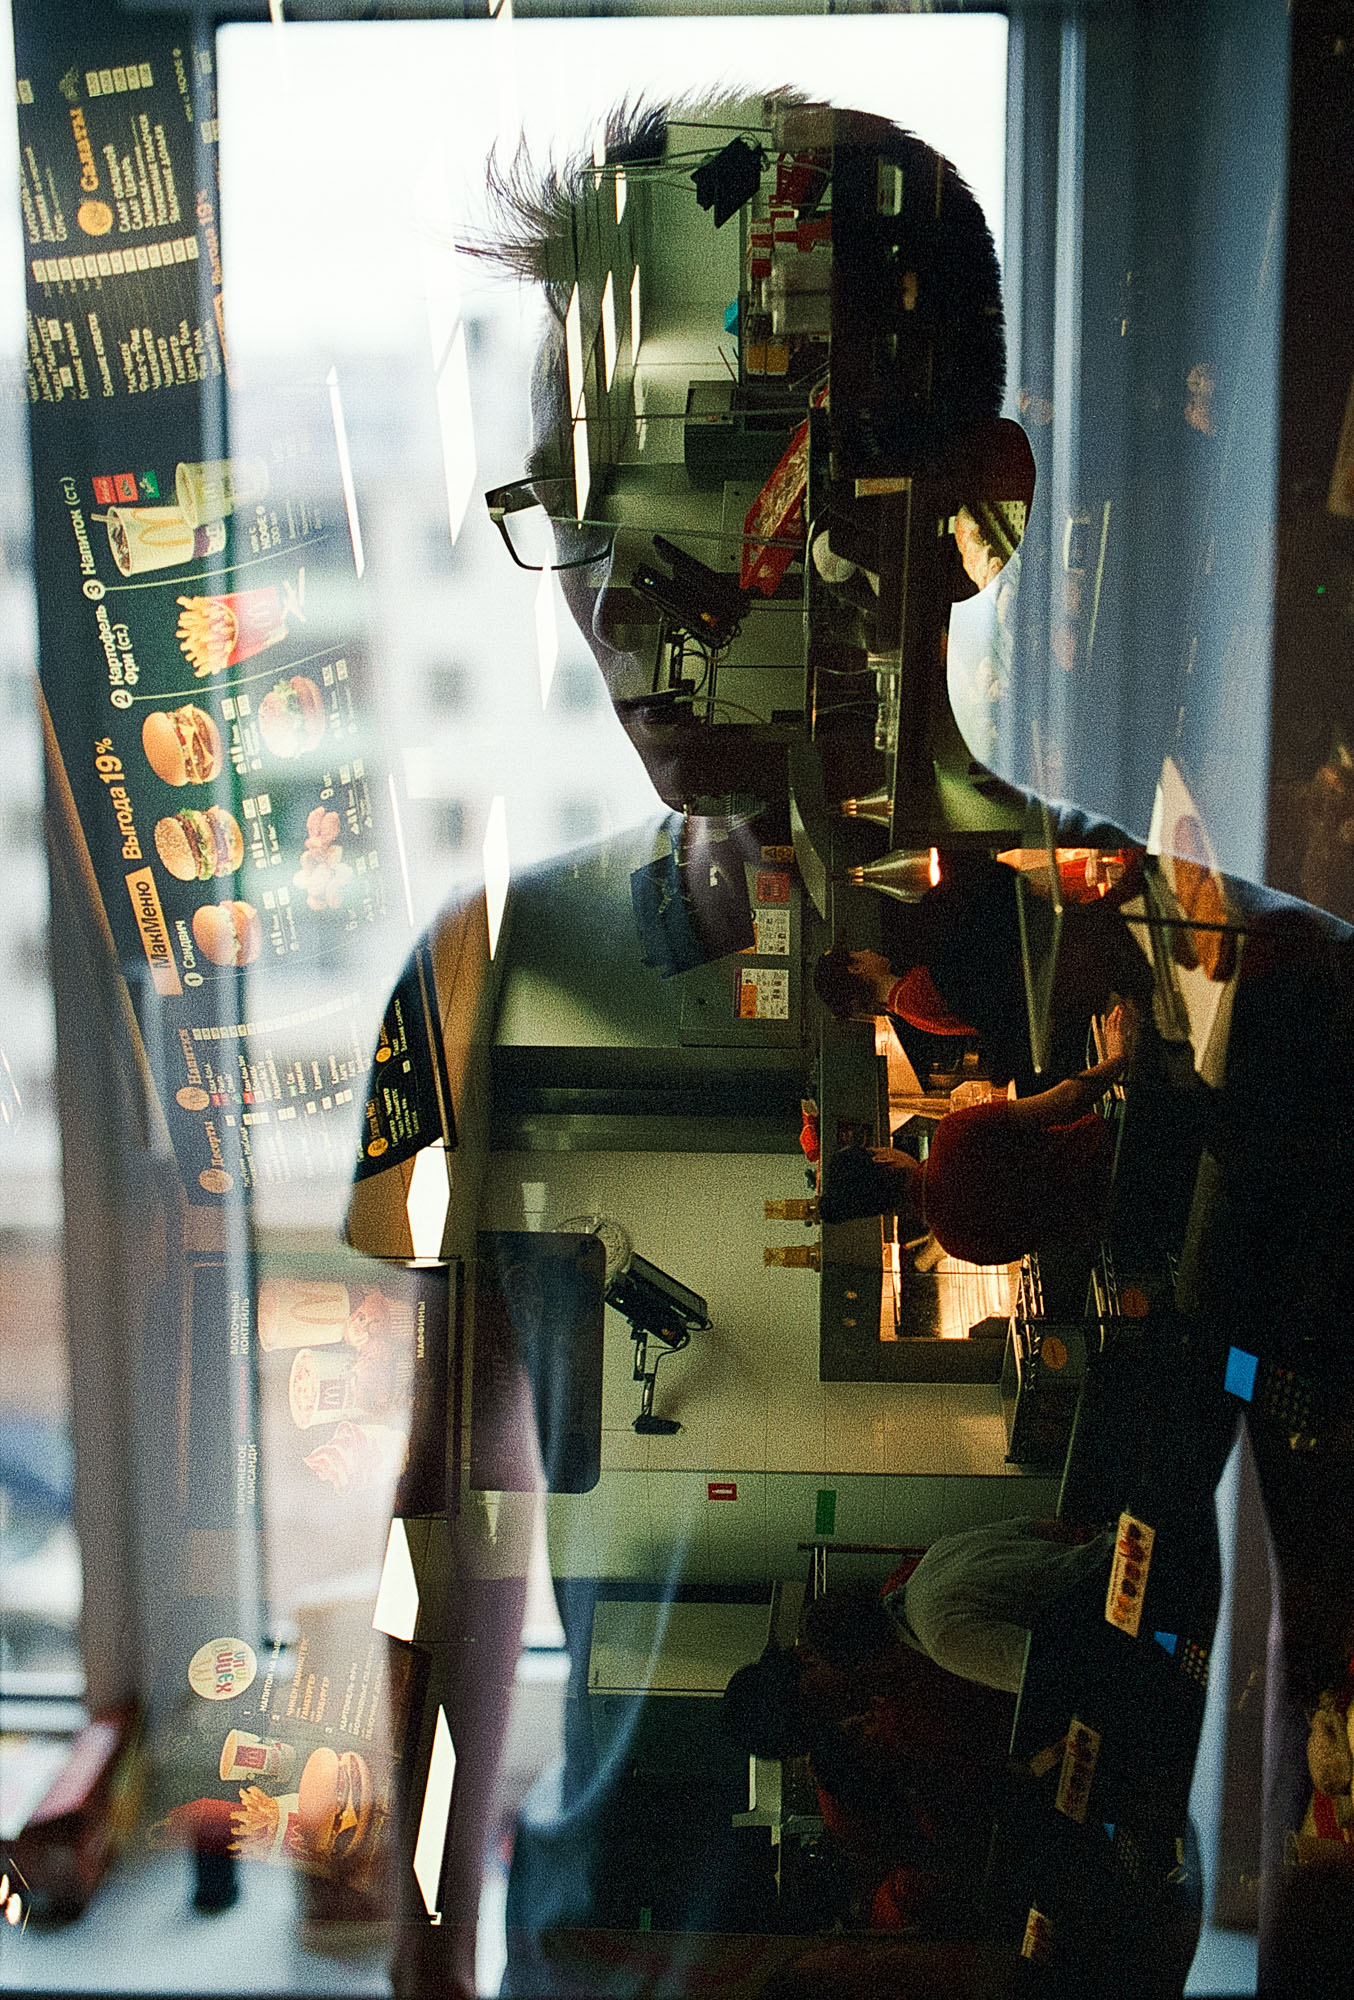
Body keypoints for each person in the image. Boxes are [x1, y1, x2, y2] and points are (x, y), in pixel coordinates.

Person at [820, 1000, 1138, 1263]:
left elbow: (1048, 1241)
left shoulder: (957, 1243)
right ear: (882, 1160)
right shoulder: (952, 1136)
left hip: (1123, 1223)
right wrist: (1117, 1059)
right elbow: (1065, 1100)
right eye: (877, 1149)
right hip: (1122, 1154)